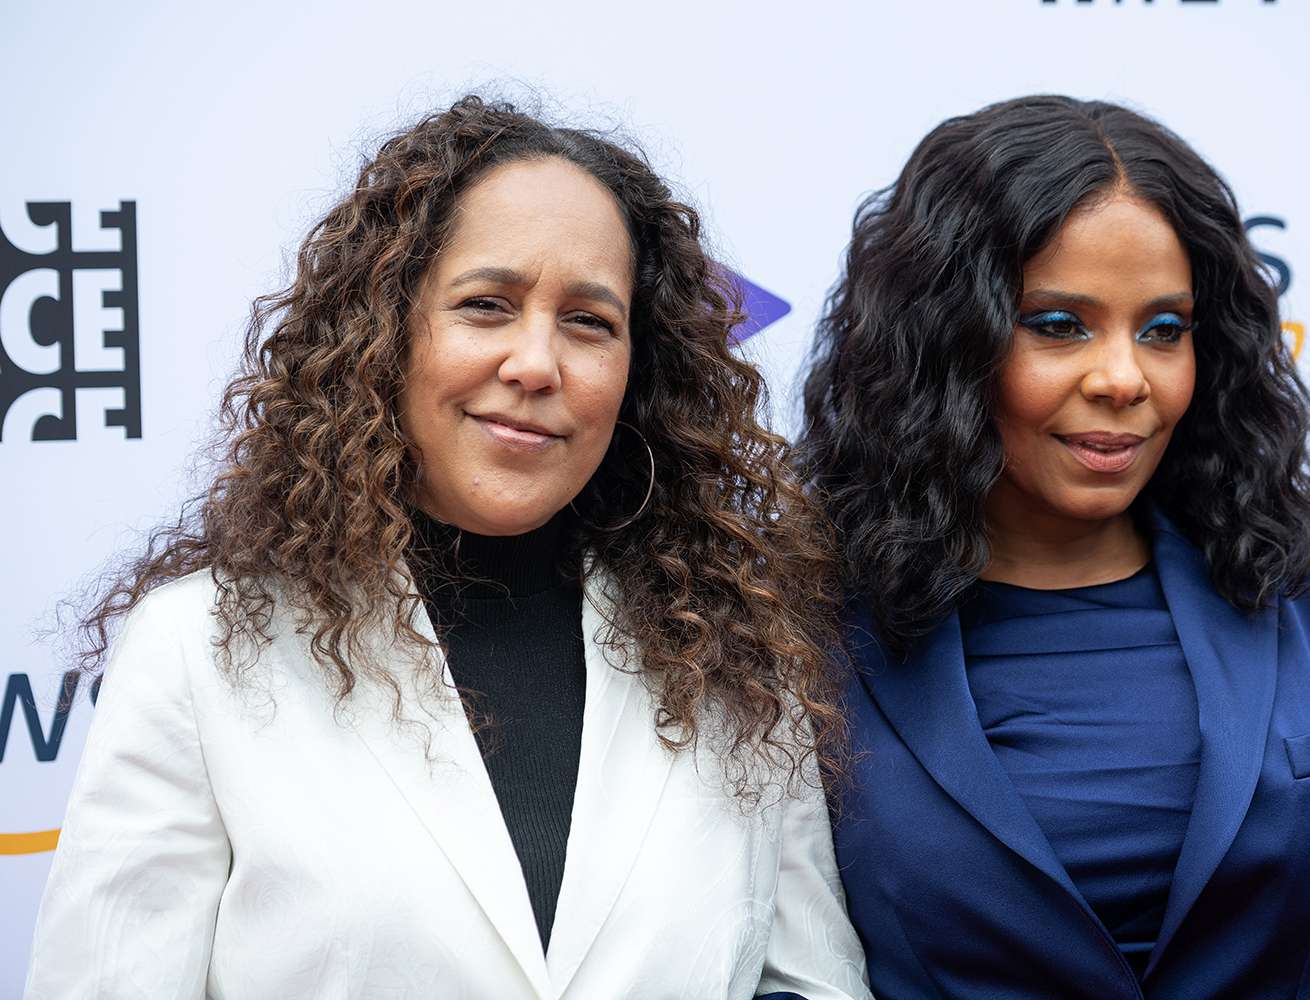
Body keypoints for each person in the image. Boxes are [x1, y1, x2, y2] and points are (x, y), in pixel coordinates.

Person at [26, 96, 869, 1000]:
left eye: (589, 321)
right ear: (385, 333)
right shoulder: (198, 647)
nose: (537, 363)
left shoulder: (732, 647)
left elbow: (810, 980)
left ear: (640, 367)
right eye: (486, 306)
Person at [798, 94, 1310, 998]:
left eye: (1164, 330)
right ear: (944, 344)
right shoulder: (798, 621)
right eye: (1059, 326)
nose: (1126, 378)